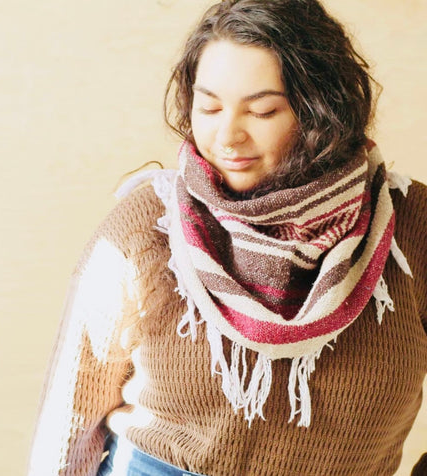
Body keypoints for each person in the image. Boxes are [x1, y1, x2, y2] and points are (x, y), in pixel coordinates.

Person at [28, 1, 427, 475]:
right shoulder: (149, 222)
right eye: (209, 106)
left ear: (323, 110)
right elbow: (73, 408)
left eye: (262, 111)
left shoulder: (409, 223)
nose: (227, 136)